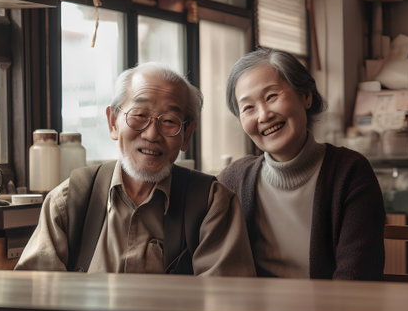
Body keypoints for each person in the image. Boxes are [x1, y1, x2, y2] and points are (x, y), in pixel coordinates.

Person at [15, 62, 256, 276]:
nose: (152, 134)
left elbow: (225, 305)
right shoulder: (68, 202)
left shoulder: (212, 203)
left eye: (170, 122)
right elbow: (35, 296)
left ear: (187, 135)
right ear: (113, 123)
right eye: (139, 115)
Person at [218, 48, 385, 280]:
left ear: (306, 96)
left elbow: (356, 278)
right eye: (248, 108)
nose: (264, 115)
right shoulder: (233, 180)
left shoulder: (350, 172)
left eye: (271, 97)